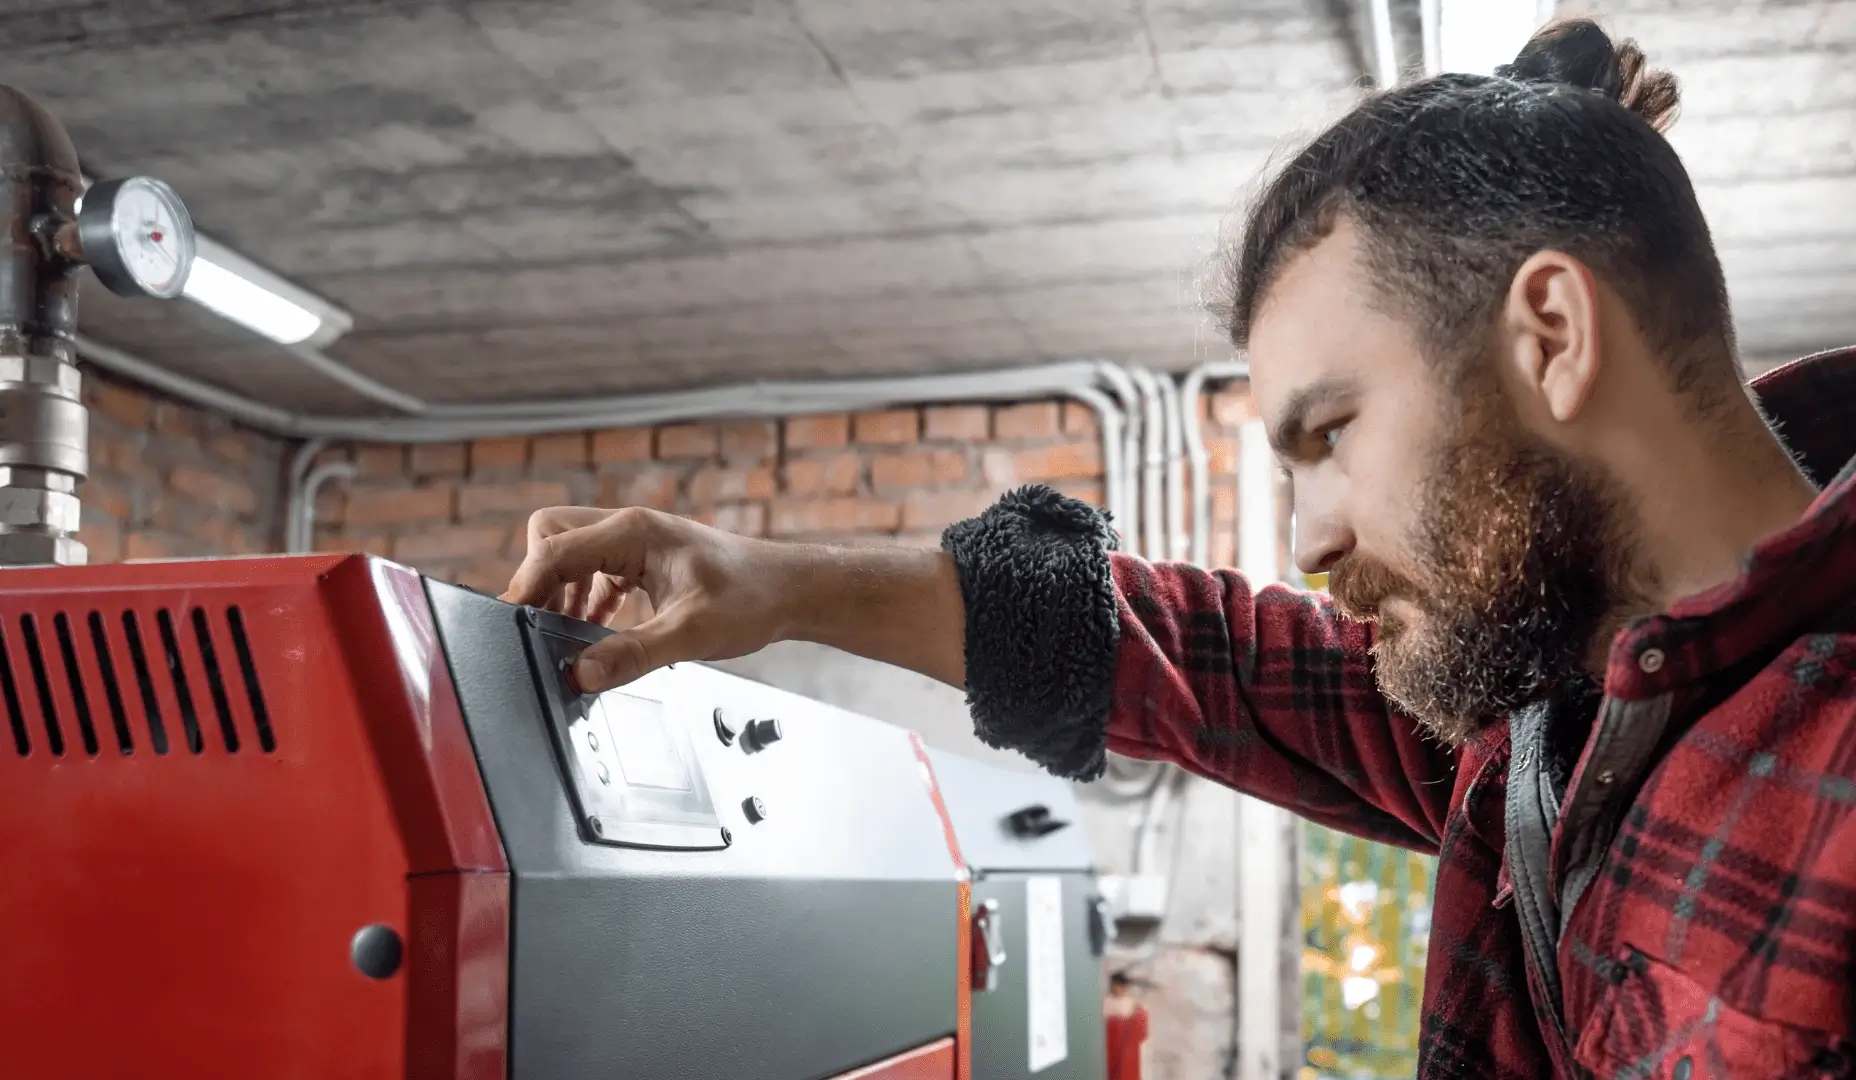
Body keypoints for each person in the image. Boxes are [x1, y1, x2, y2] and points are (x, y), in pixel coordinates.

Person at [502, 19, 1856, 1079]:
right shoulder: (1550, 704)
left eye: (1329, 432)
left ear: (1549, 337)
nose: (1313, 538)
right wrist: (776, 584)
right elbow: (1221, 663)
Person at [1103, 971, 1150, 1080]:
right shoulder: (1107, 1003)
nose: (1122, 988)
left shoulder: (1130, 1003)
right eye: (1120, 985)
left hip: (1119, 1054)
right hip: (1120, 1054)